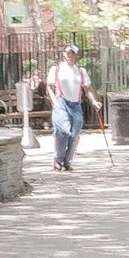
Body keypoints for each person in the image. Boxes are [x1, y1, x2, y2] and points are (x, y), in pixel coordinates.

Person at [46, 42, 91, 171]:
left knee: (75, 133)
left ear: (77, 55)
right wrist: (54, 101)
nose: (70, 54)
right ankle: (58, 159)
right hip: (61, 102)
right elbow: (49, 87)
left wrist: (94, 101)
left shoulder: (81, 71)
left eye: (73, 52)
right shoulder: (56, 69)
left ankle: (67, 161)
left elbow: (87, 88)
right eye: (68, 52)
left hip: (76, 104)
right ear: (64, 54)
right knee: (63, 131)